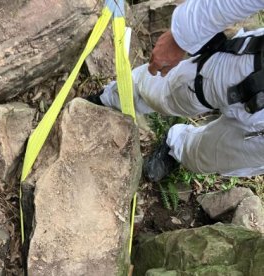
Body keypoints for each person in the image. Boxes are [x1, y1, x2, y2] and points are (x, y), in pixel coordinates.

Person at [89, 0, 264, 182]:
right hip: (248, 71)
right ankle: (110, 97)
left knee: (204, 158)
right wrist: (182, 36)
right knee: (163, 92)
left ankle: (175, 146)